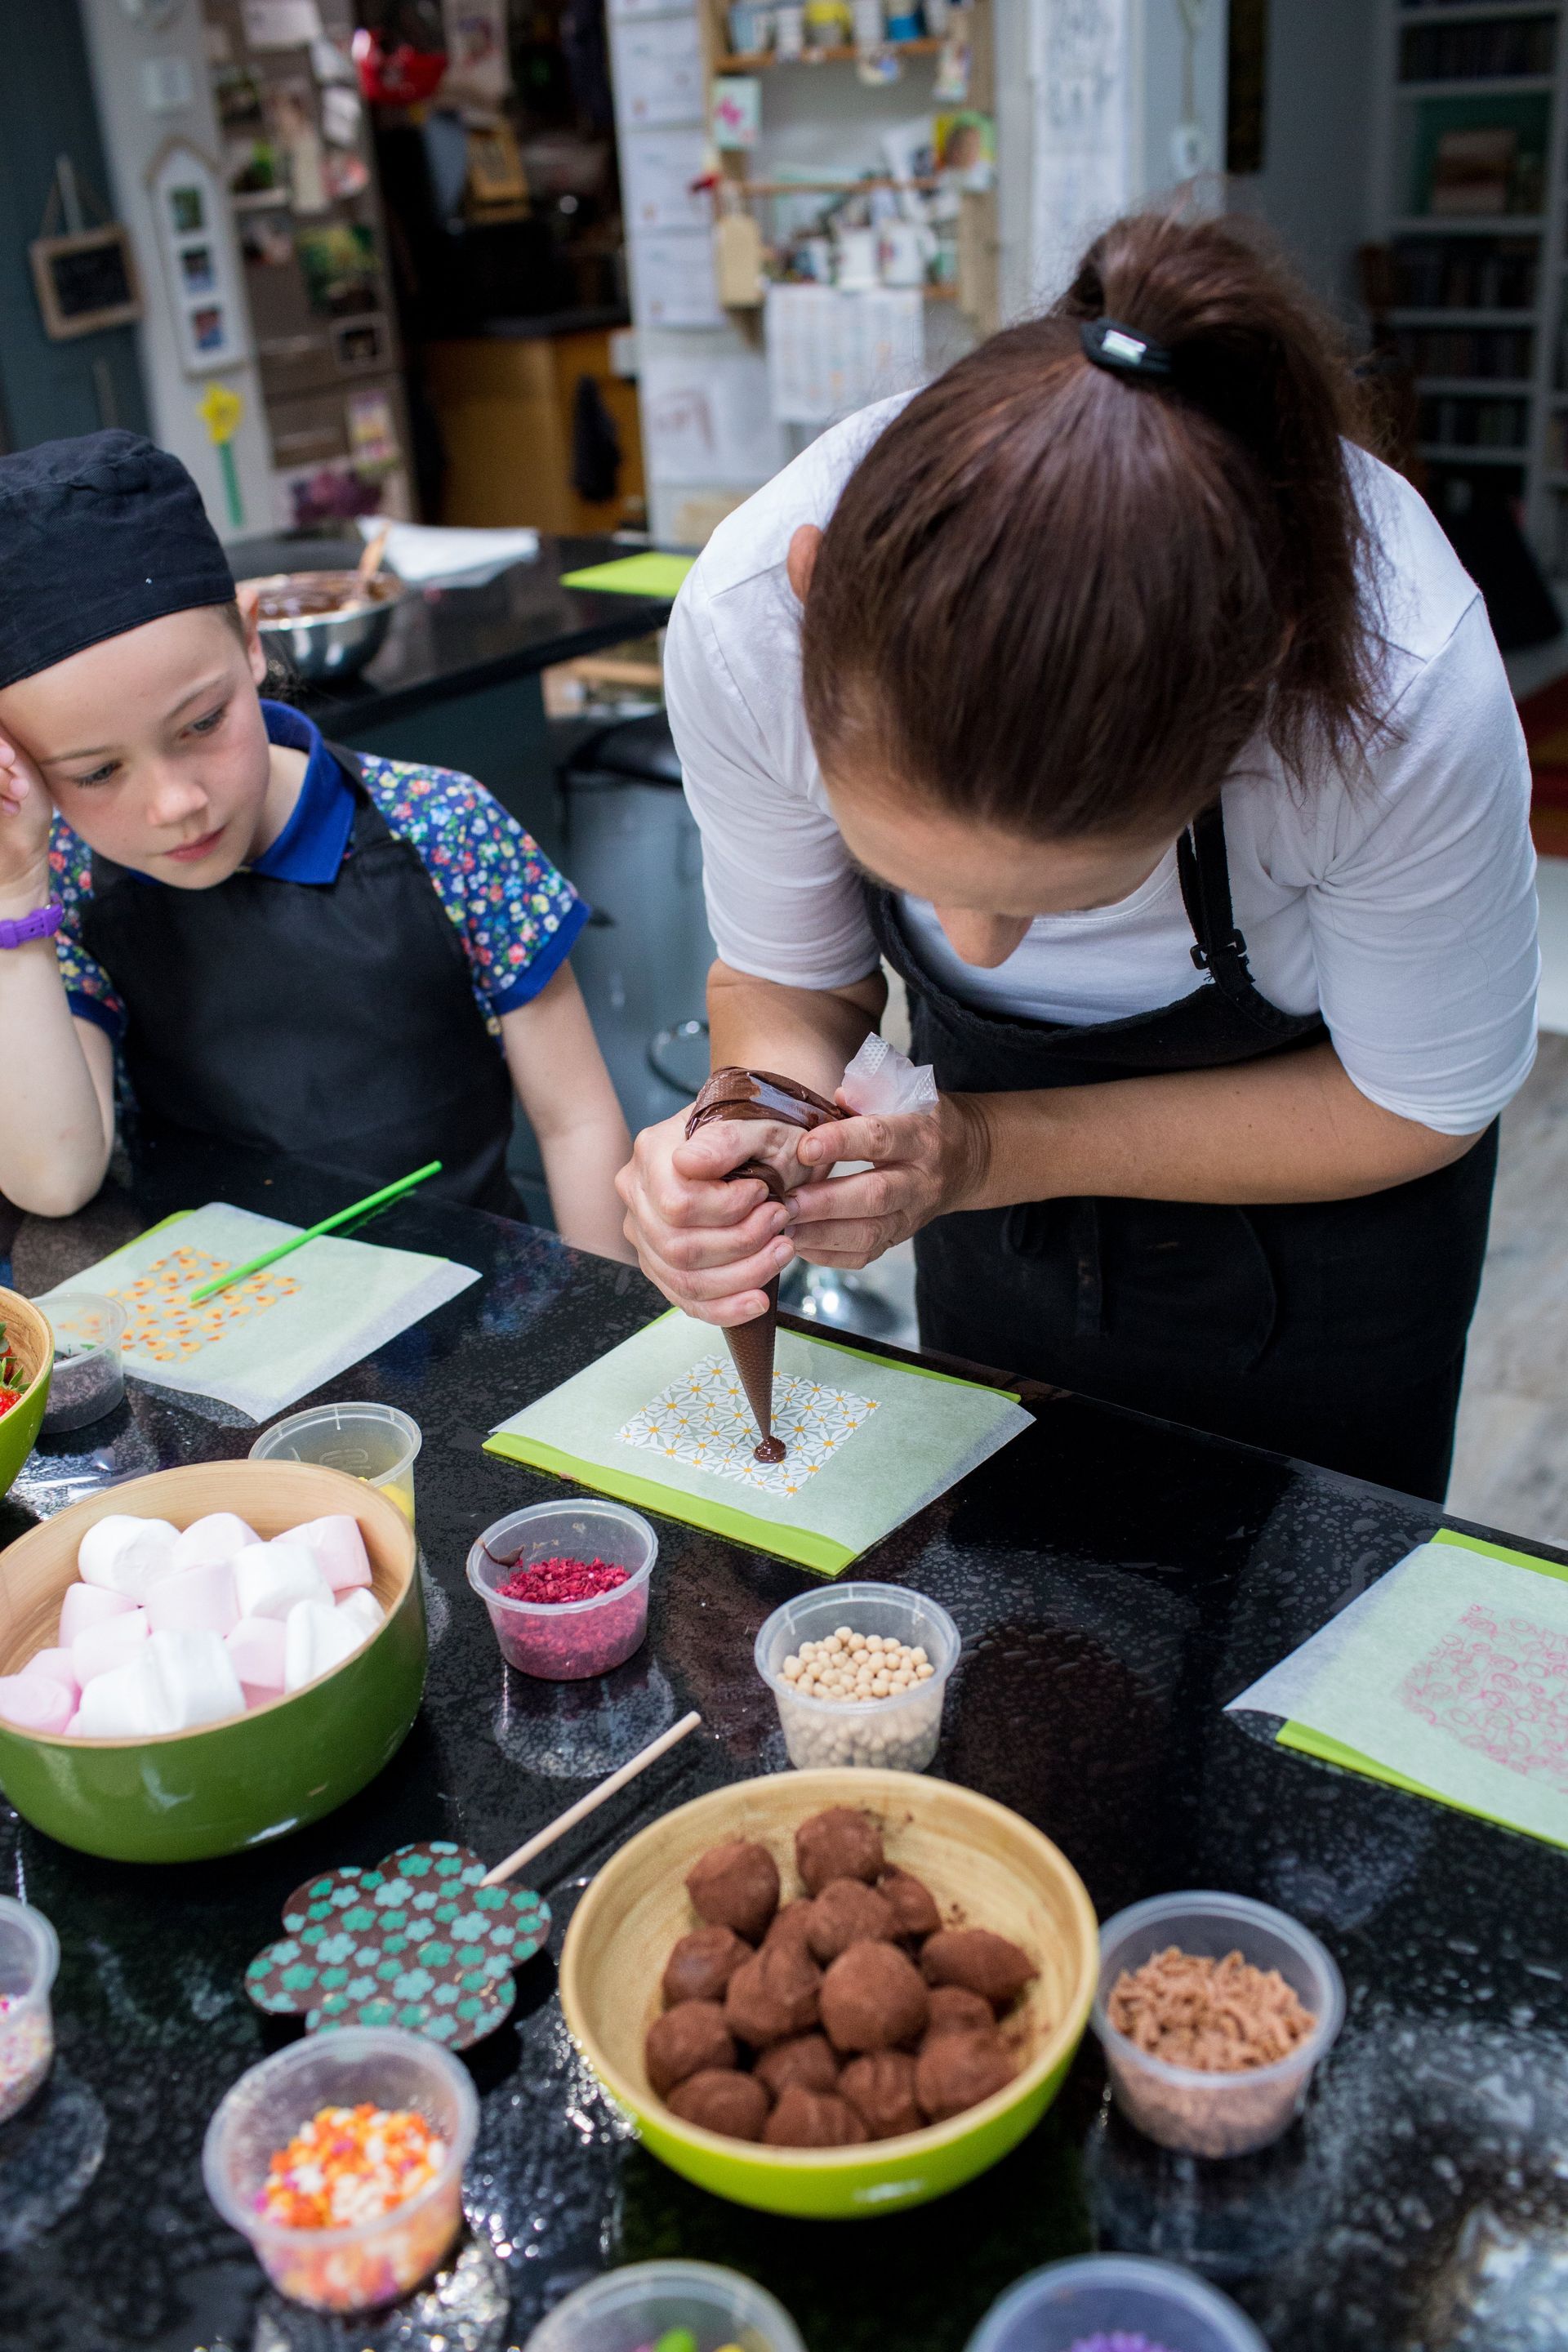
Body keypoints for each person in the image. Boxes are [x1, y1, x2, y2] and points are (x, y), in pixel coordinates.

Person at [617, 211, 1539, 1502]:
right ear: (817, 600)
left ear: (1247, 695)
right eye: (915, 875)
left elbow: (1412, 1099)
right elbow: (790, 987)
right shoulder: (751, 624)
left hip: (1329, 1226)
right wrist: (743, 1128)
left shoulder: (1392, 686)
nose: (969, 952)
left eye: (1054, 899)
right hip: (998, 1231)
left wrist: (987, 1151)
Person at [0, 430, 630, 1252]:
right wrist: (16, 896)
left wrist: (608, 1352)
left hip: (479, 1327)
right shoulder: (68, 892)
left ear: (253, 640)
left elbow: (578, 1121)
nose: (175, 803)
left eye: (201, 723)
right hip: (224, 1341)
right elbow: (53, 1179)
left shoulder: (443, 829)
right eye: (94, 773)